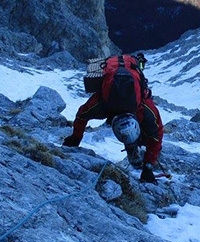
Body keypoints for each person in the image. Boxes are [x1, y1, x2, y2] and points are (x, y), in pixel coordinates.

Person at [63, 54, 164, 184]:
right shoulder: (104, 103)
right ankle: (132, 147)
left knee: (147, 134)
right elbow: (156, 137)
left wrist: (76, 137)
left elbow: (82, 115)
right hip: (116, 68)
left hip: (127, 66)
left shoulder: (141, 106)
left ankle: (133, 148)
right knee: (145, 133)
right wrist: (148, 168)